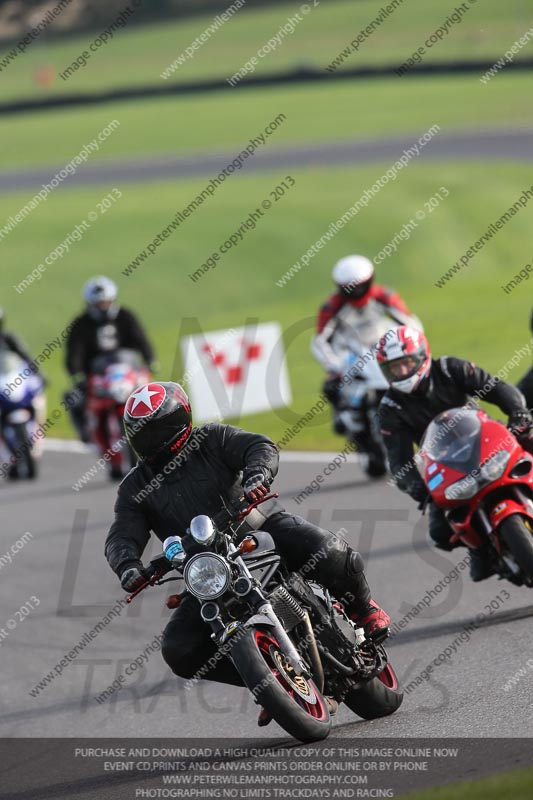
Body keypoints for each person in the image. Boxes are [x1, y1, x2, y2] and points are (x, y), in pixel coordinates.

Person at [104, 381, 391, 724]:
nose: (147, 440)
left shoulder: (211, 438)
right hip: (208, 567)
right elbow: (122, 532)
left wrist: (258, 475)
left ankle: (363, 608)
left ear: (178, 421)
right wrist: (128, 565)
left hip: (257, 527)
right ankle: (272, 679)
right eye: (139, 432)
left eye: (154, 430)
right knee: (178, 648)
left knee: (325, 548)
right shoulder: (135, 486)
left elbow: (259, 446)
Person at [376, 326, 532, 581]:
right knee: (439, 532)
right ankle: (481, 550)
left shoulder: (450, 368)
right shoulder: (390, 409)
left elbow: (497, 387)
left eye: (405, 363)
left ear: (421, 355)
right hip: (446, 465)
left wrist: (517, 412)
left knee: (530, 438)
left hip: (487, 438)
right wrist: (417, 487)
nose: (402, 372)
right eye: (394, 368)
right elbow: (398, 461)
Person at [312, 255, 420, 419]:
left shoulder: (384, 295)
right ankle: (345, 414)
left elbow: (410, 324)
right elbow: (320, 342)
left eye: (360, 286)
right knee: (331, 387)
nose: (356, 292)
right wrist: (334, 367)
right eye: (350, 288)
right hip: (350, 353)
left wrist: (411, 349)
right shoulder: (332, 306)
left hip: (383, 347)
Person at [64, 277, 156, 441]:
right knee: (72, 399)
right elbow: (74, 354)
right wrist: (78, 376)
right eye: (99, 304)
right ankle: (86, 433)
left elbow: (141, 340)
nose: (103, 307)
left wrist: (150, 360)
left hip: (128, 371)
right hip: (98, 376)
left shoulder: (126, 316)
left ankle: (155, 428)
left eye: (106, 302)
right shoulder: (81, 324)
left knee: (155, 396)